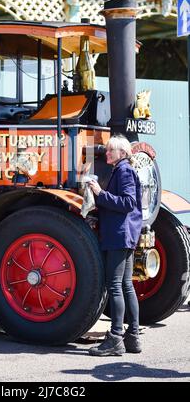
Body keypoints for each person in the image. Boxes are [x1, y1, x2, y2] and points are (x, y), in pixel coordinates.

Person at [88, 134, 142, 356]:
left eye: (111, 150)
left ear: (123, 153)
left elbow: (128, 203)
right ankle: (133, 337)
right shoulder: (122, 170)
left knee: (115, 286)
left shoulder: (124, 171)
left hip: (119, 236)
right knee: (127, 286)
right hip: (125, 235)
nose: (107, 153)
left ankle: (116, 338)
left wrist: (100, 194)